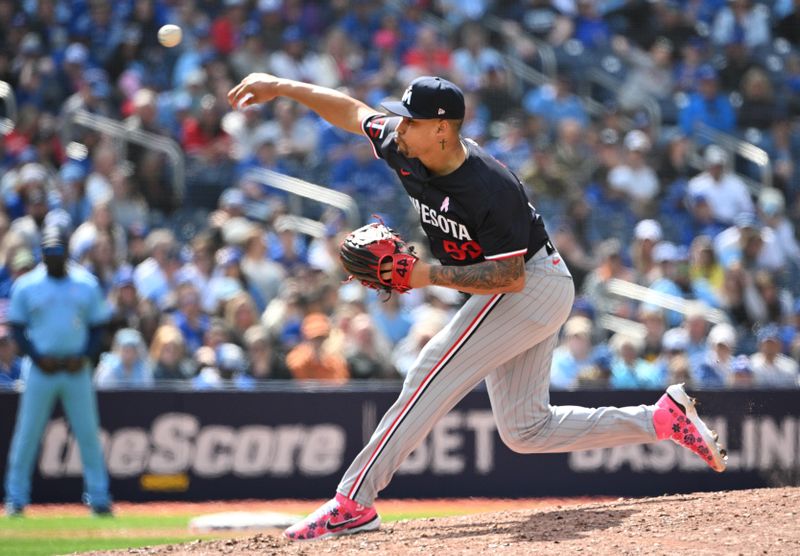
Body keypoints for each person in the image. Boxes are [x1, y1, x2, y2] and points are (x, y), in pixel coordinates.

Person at [228, 72, 727, 542]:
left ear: (442, 129)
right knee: (526, 430)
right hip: (520, 291)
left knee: (428, 371)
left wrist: (423, 275)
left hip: (531, 283)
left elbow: (508, 276)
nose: (398, 126)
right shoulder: (402, 143)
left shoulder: (489, 186)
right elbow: (351, 110)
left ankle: (353, 501)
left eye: (412, 120)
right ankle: (662, 419)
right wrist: (281, 86)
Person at [4, 228, 113, 516]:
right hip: (41, 369)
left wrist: (86, 356)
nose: (54, 256)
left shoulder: (85, 283)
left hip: (77, 369)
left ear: (67, 252)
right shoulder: (27, 285)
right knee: (27, 434)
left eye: (58, 250)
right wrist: (37, 357)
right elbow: (17, 328)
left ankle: (99, 498)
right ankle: (16, 499)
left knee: (88, 434)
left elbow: (98, 327)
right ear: (41, 253)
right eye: (48, 251)